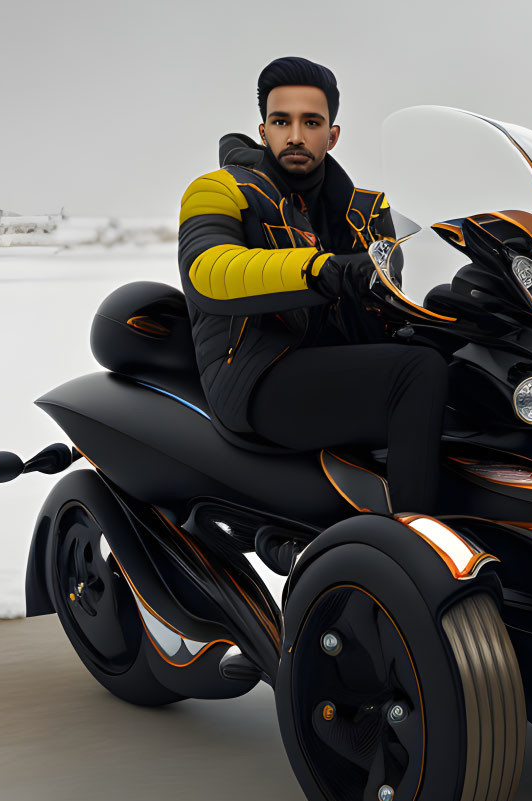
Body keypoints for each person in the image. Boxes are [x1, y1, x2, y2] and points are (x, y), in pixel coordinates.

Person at [177, 56, 448, 514]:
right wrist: (321, 270)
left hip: (339, 357)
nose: (296, 135)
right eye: (281, 121)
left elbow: (399, 274)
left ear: (333, 135)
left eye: (311, 122)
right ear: (263, 131)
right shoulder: (218, 190)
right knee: (416, 373)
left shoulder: (365, 209)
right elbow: (209, 269)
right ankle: (413, 543)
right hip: (256, 371)